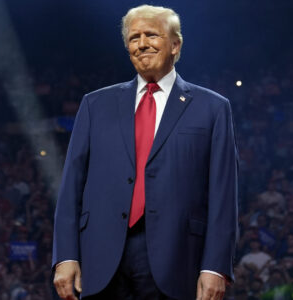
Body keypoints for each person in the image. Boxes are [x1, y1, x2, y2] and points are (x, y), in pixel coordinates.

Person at [52, 5, 239, 300]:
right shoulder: (95, 105)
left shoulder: (213, 108)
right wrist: (65, 256)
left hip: (178, 259)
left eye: (151, 35)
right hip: (99, 259)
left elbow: (223, 194)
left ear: (175, 44)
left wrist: (215, 266)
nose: (141, 44)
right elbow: (71, 186)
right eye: (134, 37)